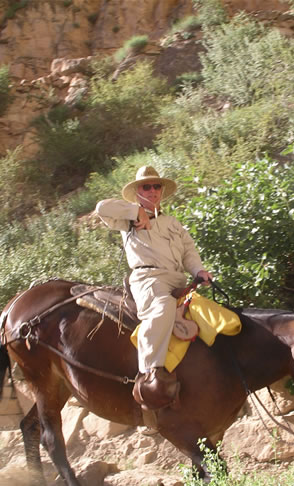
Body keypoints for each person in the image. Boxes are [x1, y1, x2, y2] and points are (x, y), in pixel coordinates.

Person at [95, 166, 212, 410]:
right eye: (145, 186)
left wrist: (198, 271)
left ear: (161, 191)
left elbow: (189, 251)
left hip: (179, 280)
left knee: (212, 315)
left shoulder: (172, 222)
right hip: (149, 279)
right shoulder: (127, 218)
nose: (152, 190)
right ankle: (149, 374)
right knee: (162, 308)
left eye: (156, 186)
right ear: (137, 191)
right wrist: (135, 210)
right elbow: (101, 208)